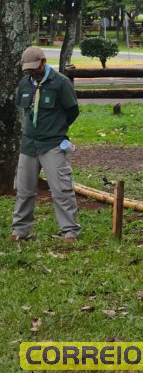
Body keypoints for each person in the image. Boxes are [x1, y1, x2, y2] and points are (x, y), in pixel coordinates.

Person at [11, 47, 80, 242]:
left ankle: (69, 231)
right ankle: (20, 230)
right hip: (29, 145)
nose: (32, 72)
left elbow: (72, 111)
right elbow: (23, 110)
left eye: (35, 68)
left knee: (61, 190)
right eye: (28, 69)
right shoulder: (25, 84)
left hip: (52, 144)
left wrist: (55, 129)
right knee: (23, 190)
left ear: (43, 62)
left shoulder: (61, 83)